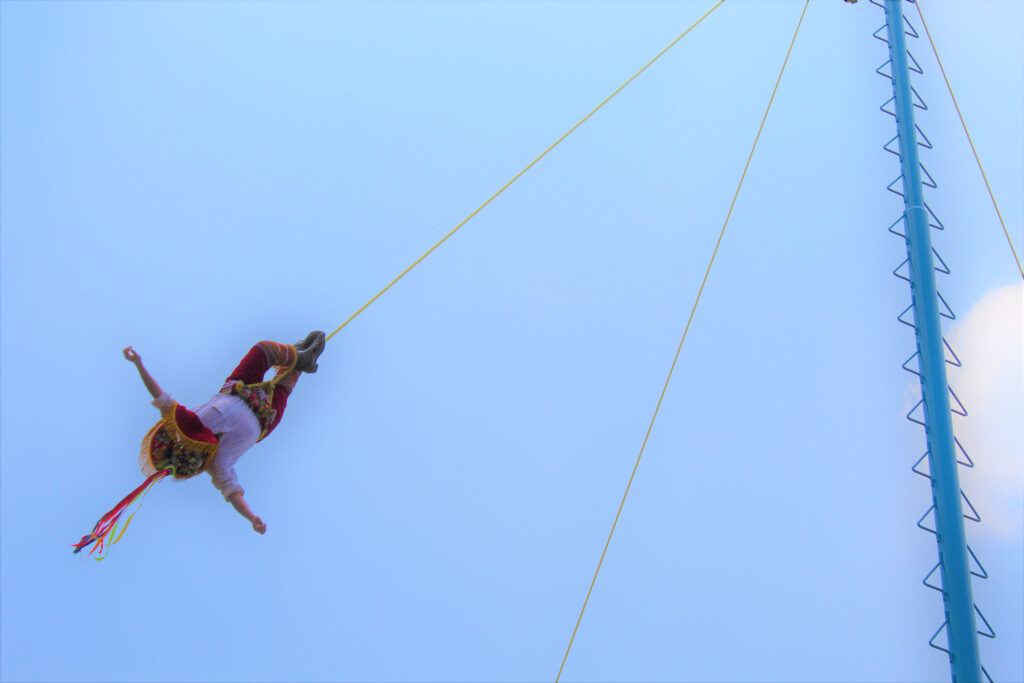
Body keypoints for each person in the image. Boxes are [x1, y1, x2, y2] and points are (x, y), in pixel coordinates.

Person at [123, 332, 326, 535]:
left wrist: (138, 364)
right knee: (285, 384)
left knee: (263, 350)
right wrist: (251, 517)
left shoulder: (186, 421)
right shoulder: (216, 464)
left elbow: (159, 396)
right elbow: (232, 493)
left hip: (239, 388)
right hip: (265, 419)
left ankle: (298, 356)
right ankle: (299, 361)